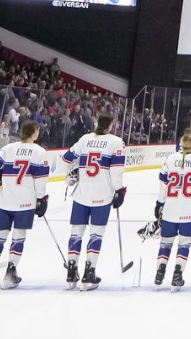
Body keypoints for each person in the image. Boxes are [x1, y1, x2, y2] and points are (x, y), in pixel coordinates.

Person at [61, 111, 126, 290]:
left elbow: (66, 159)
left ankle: (71, 270)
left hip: (81, 196)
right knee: (95, 235)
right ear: (111, 125)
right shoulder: (115, 142)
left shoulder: (85, 139)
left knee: (76, 233)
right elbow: (116, 171)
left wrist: (72, 171)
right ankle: (89, 273)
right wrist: (120, 190)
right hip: (102, 197)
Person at [0, 119, 50, 289]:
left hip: (5, 200)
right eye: (38, 130)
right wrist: (42, 199)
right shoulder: (40, 152)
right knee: (18, 237)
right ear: (34, 131)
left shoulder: (8, 149)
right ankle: (10, 273)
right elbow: (40, 181)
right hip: (25, 203)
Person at [153, 130, 191, 289]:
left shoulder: (170, 159)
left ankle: (159, 273)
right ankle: (177, 275)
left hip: (170, 209)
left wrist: (159, 203)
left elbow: (163, 185)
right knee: (184, 244)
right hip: (189, 211)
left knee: (165, 243)